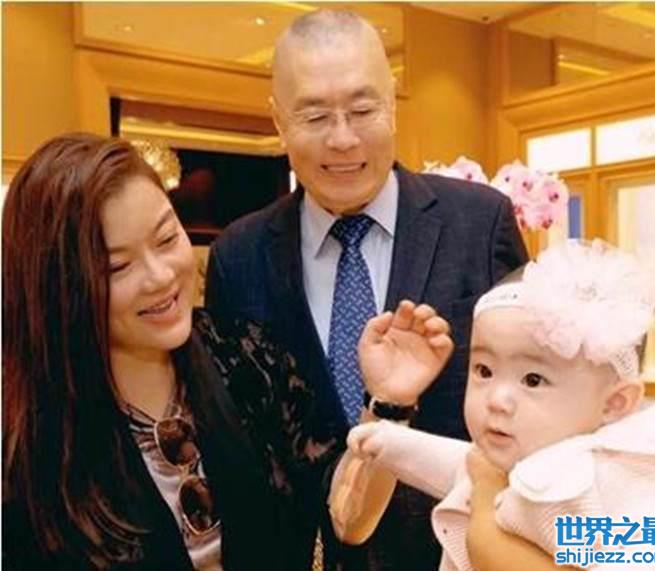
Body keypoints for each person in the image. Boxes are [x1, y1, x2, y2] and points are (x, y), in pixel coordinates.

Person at [2, 133, 454, 570]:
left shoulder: (246, 358)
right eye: (118, 266)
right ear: (58, 286)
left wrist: (388, 405)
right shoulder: (24, 437)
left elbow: (347, 519)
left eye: (166, 239)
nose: (161, 276)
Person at [205, 9, 528, 568]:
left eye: (362, 110)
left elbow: (535, 395)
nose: (343, 138)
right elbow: (239, 436)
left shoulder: (480, 224)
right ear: (279, 120)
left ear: (392, 104)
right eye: (314, 116)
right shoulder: (240, 255)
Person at [339, 239, 655, 570]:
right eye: (484, 371)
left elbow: (652, 549)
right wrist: (391, 442)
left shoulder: (609, 482)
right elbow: (470, 468)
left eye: (533, 380)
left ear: (614, 404)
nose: (497, 400)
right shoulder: (527, 457)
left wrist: (487, 514)